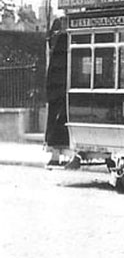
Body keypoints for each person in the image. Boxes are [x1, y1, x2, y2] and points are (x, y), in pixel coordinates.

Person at [44, 18, 80, 169]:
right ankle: (57, 155)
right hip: (60, 89)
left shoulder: (58, 46)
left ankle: (57, 155)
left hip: (58, 88)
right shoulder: (62, 45)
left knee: (57, 119)